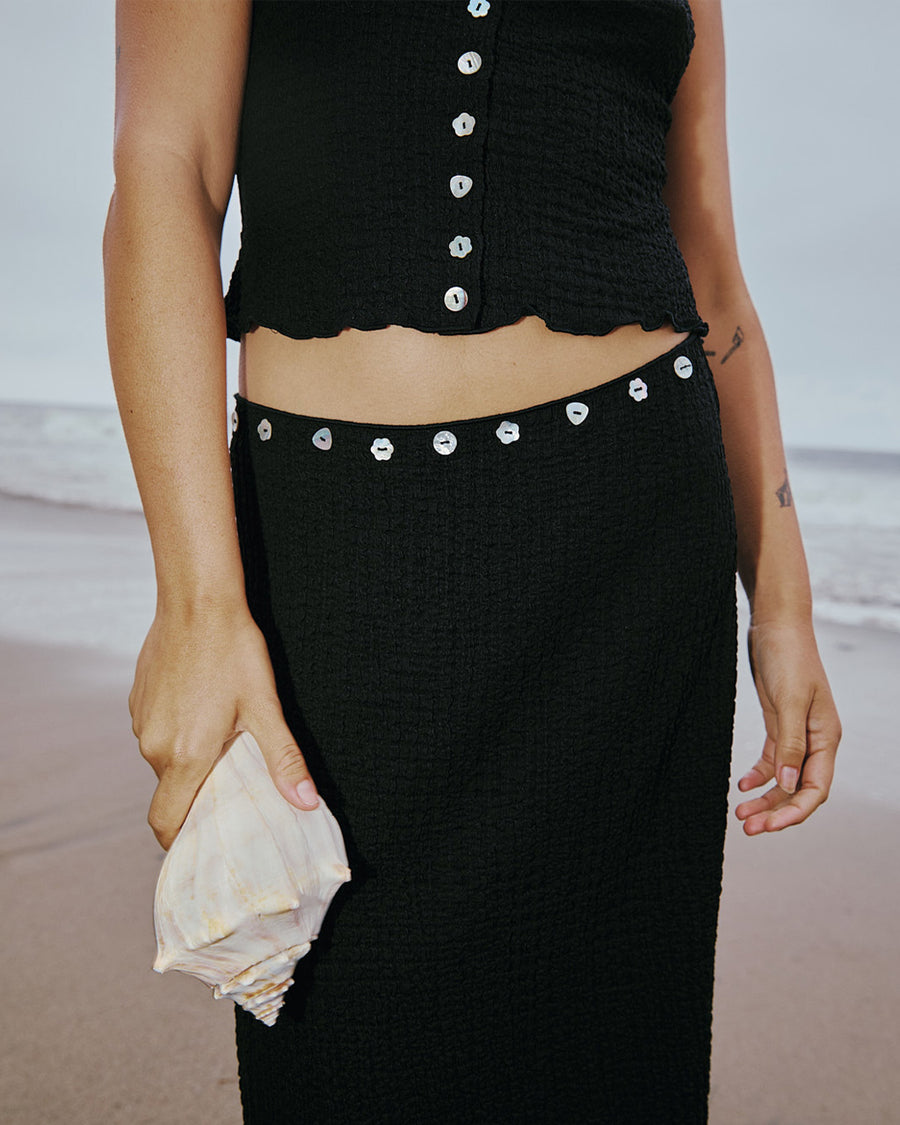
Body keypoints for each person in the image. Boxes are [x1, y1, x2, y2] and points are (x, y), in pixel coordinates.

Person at [102, 1, 842, 1121]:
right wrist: (199, 603)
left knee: (614, 1074)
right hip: (342, 566)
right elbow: (167, 168)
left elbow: (710, 264)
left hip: (634, 568)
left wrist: (781, 606)